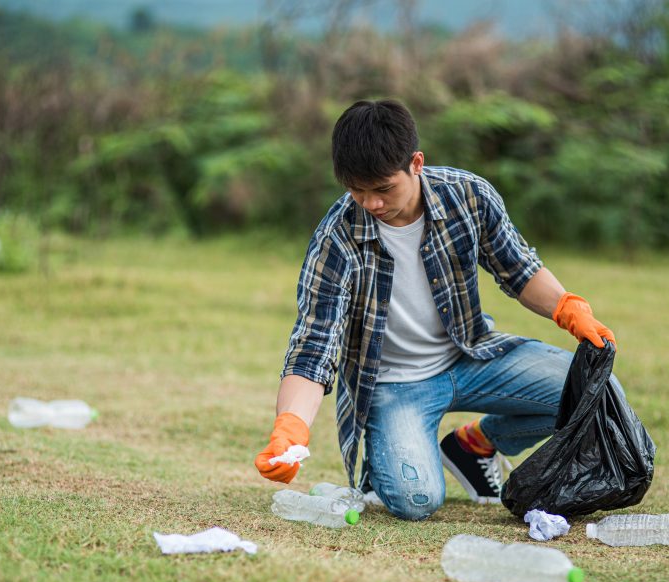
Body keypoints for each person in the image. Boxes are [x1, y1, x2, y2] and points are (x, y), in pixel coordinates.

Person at [254, 99, 619, 521]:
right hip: (395, 385)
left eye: (383, 189)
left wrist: (567, 307)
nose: (371, 203)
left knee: (596, 388)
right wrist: (291, 426)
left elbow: (519, 270)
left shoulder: (468, 195)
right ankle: (385, 459)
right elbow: (315, 346)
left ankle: (476, 445)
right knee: (417, 499)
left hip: (472, 354)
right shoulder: (336, 239)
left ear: (416, 163)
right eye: (357, 190)